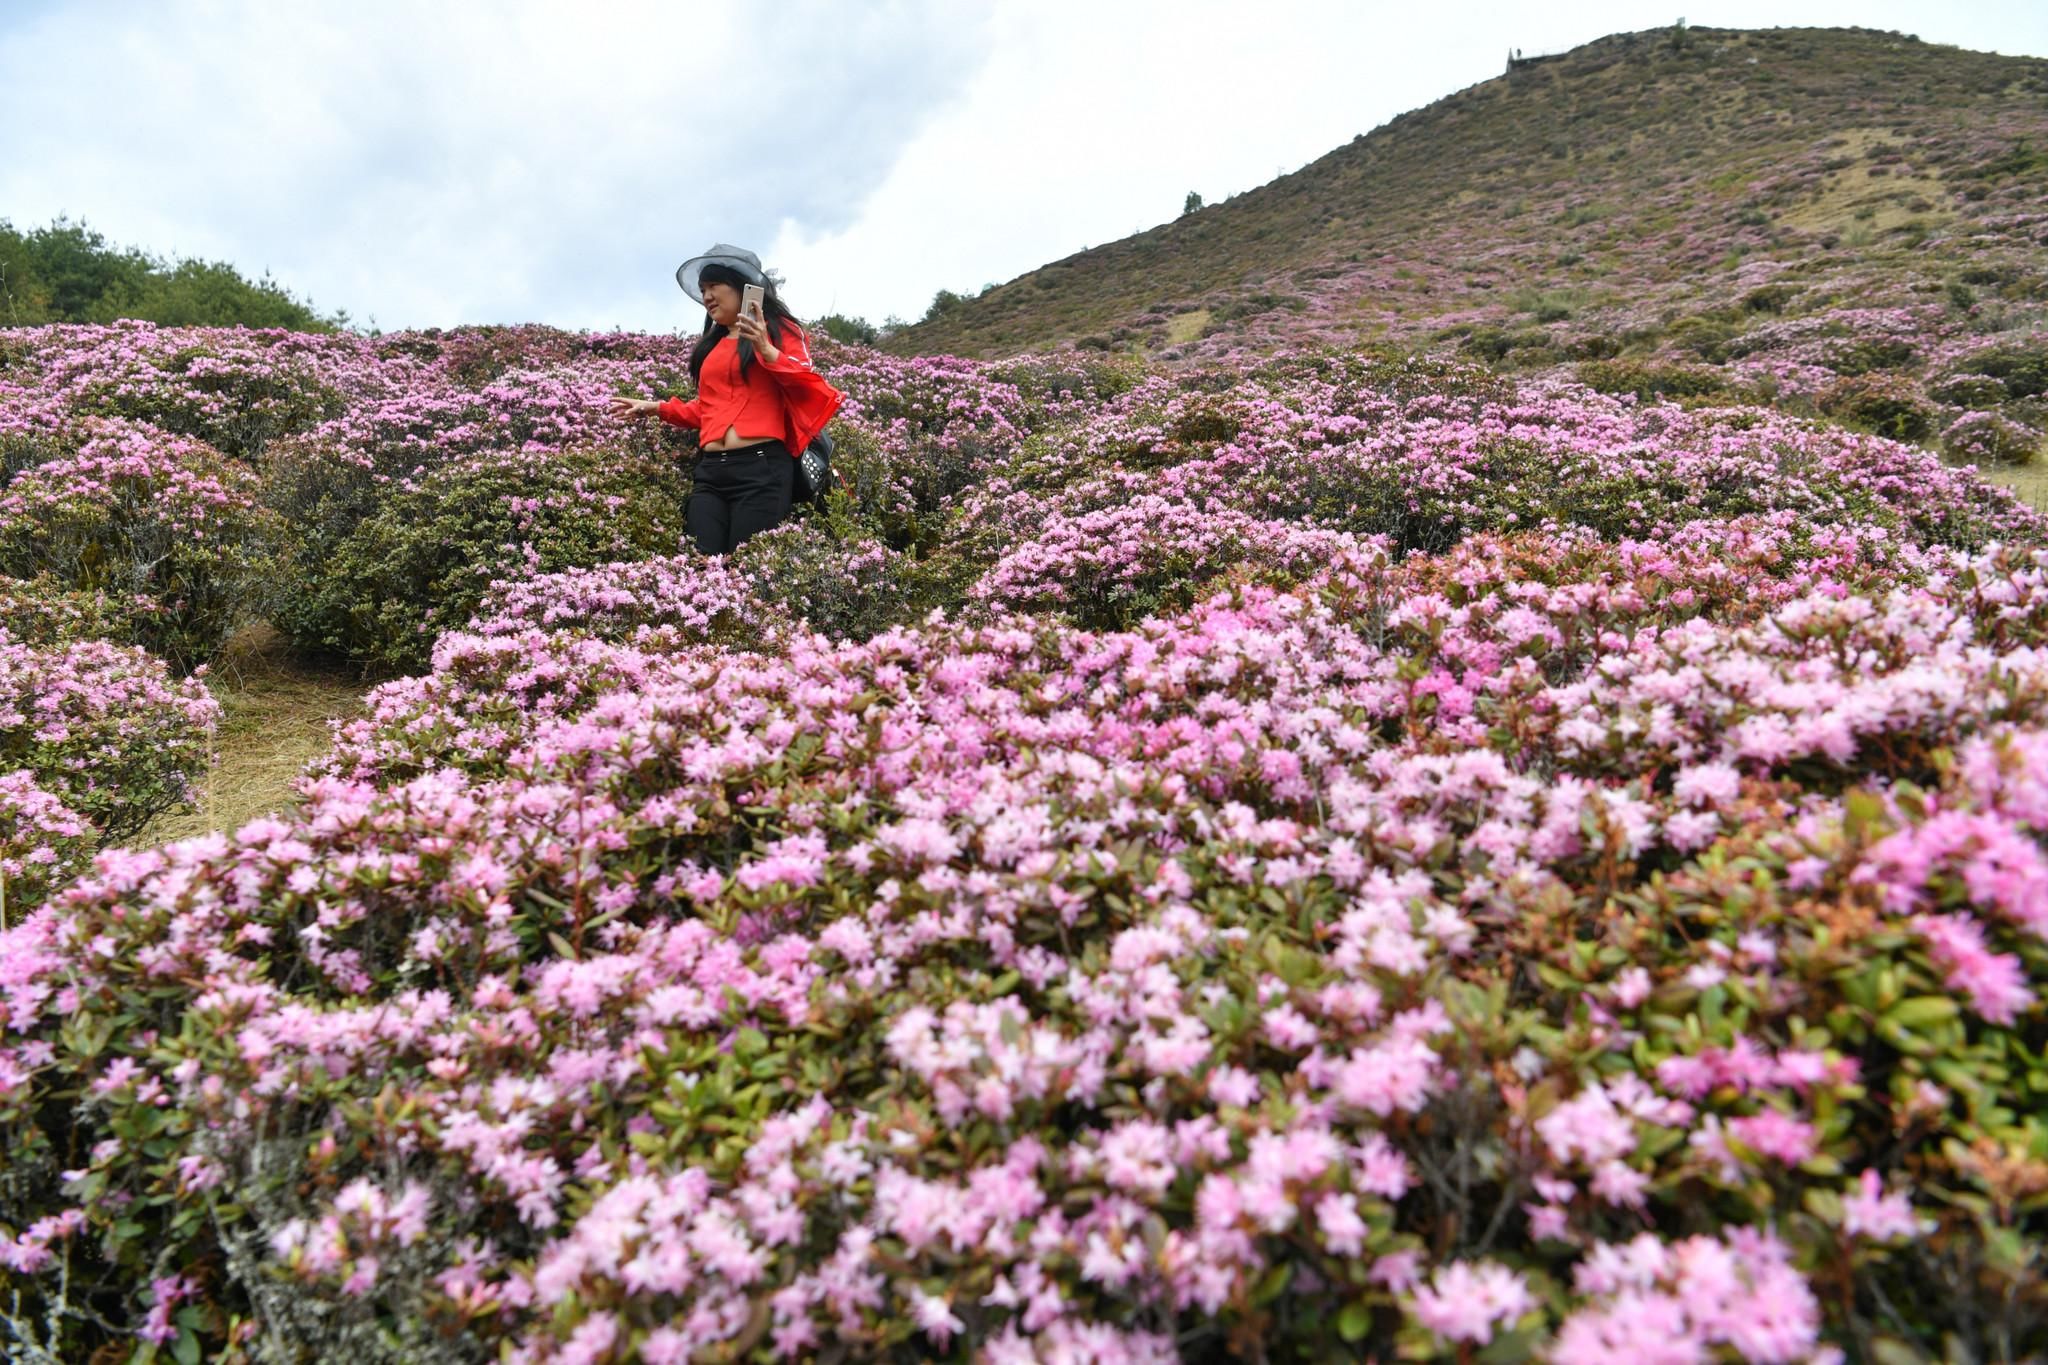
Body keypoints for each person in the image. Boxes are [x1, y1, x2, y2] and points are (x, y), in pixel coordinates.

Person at [611, 244, 843, 556]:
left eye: (714, 286)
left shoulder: (779, 329)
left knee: (746, 572)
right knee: (702, 568)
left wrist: (764, 347)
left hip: (762, 469)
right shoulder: (714, 343)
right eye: (703, 289)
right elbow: (709, 409)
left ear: (743, 288)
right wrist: (656, 408)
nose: (706, 296)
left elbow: (808, 381)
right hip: (711, 472)